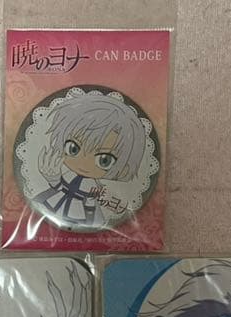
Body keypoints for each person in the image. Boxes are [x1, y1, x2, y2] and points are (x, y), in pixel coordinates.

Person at [33, 93, 147, 230]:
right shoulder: (68, 174)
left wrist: (93, 207)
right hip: (54, 203)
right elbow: (59, 187)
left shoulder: (93, 186)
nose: (84, 163)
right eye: (73, 149)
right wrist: (53, 178)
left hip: (79, 213)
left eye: (104, 160)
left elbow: (92, 201)